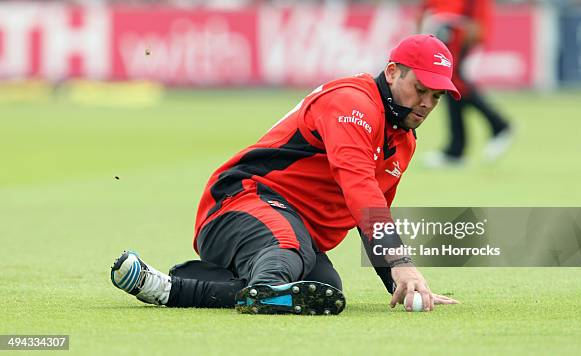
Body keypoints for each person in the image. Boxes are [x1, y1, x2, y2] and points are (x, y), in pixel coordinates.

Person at [110, 34, 460, 315]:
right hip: (240, 202)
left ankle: (171, 286)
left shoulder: (403, 141)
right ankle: (190, 290)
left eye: (437, 95)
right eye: (420, 89)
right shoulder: (353, 103)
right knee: (286, 256)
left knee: (323, 293)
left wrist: (401, 282)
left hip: (290, 232)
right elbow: (361, 190)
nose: (427, 103)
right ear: (393, 72)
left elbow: (370, 216)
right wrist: (401, 262)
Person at [418, 0, 513, 167]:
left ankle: (497, 125)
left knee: (455, 83)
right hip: (446, 26)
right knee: (451, 84)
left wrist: (475, 27)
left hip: (458, 29)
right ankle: (457, 149)